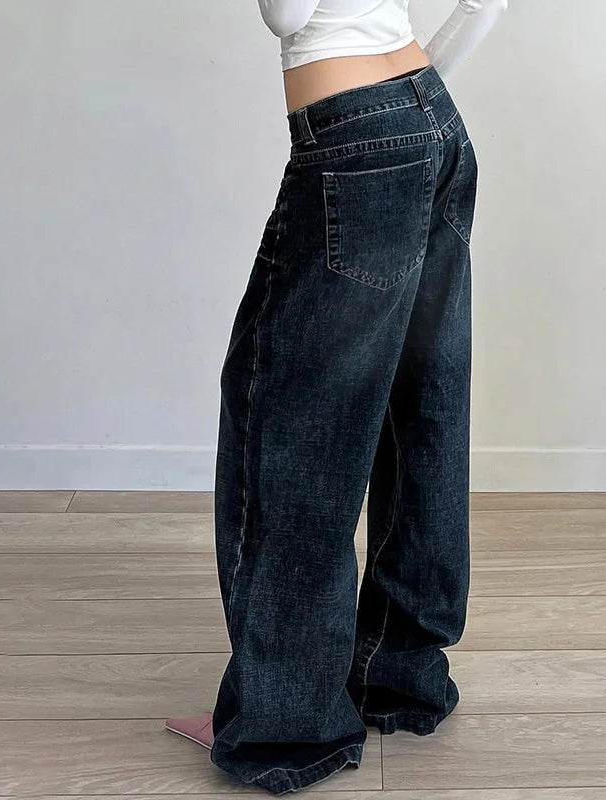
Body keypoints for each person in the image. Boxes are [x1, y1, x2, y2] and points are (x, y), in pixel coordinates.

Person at [165, 0, 509, 794]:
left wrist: (380, 134)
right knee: (419, 407)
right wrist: (407, 127)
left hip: (356, 136)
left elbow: (288, 16)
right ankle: (396, 672)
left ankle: (287, 724)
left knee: (288, 426)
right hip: (433, 118)